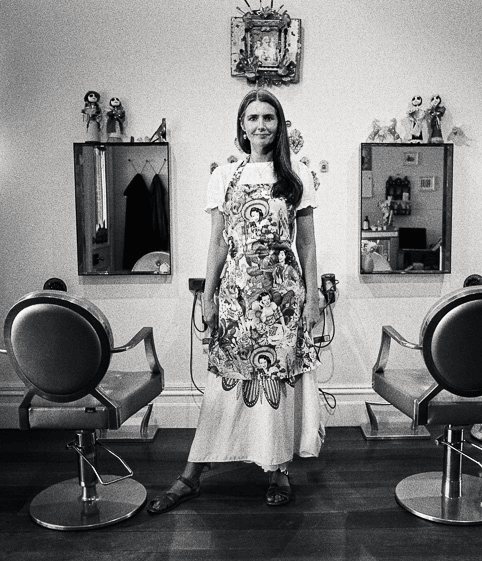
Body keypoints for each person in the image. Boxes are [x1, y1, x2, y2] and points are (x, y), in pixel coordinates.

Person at [147, 89, 323, 514]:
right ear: (241, 126)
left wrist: (312, 298)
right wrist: (207, 297)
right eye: (252, 118)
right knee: (224, 384)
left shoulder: (297, 174)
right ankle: (192, 474)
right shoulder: (224, 175)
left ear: (279, 124)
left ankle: (278, 470)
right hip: (236, 297)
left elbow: (307, 244)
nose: (260, 125)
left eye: (268, 117)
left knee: (277, 380)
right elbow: (218, 244)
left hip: (282, 297)